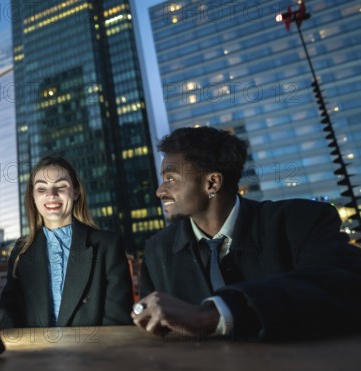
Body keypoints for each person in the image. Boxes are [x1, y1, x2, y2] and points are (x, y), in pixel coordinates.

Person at [132, 126, 361, 340]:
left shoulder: (299, 221)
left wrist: (216, 314)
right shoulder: (157, 248)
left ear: (212, 183)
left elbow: (345, 284)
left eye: (171, 179)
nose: (160, 191)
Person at [0, 156, 134, 328]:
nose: (51, 195)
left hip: (92, 353)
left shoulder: (108, 246)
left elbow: (117, 324)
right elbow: (14, 320)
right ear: (33, 197)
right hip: (37, 354)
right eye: (41, 188)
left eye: (60, 186)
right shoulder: (22, 250)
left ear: (75, 192)